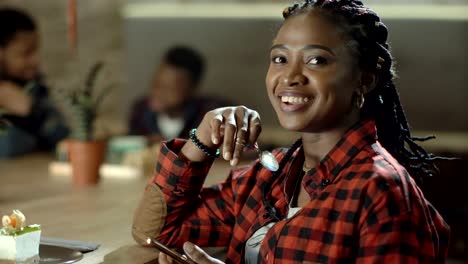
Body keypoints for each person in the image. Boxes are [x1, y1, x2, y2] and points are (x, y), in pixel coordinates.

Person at [132, 1, 450, 263]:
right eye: (280, 59)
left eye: (316, 60)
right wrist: (200, 140)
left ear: (363, 80)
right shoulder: (266, 178)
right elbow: (157, 232)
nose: (290, 77)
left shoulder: (382, 192)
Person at [0, 7, 68, 157]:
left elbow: (63, 137)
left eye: (36, 50)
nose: (35, 60)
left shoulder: (34, 87)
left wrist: (32, 110)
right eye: (26, 53)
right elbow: (8, 148)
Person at [128, 46, 232, 141]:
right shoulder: (141, 110)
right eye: (156, 84)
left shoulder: (210, 114)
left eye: (169, 89)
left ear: (192, 89)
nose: (158, 93)